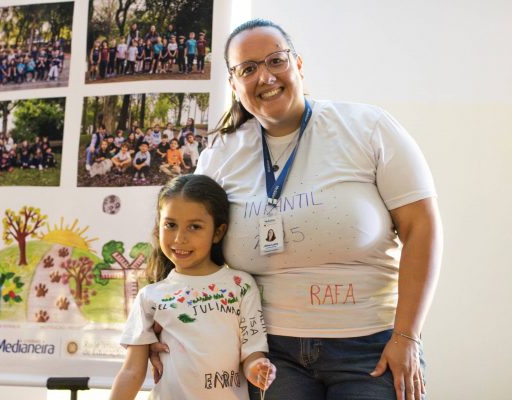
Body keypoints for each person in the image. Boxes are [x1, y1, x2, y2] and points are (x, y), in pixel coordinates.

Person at [151, 19, 443, 400]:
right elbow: (187, 242)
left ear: (298, 65)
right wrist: (163, 320)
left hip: (370, 347)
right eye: (248, 69)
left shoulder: (368, 127)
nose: (265, 76)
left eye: (276, 60)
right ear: (234, 85)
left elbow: (422, 227)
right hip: (268, 355)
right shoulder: (221, 155)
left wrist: (407, 335)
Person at [110, 174, 276, 400]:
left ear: (218, 232)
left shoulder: (241, 285)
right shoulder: (149, 297)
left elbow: (252, 354)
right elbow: (131, 372)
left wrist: (257, 369)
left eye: (194, 227)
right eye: (170, 225)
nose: (180, 238)